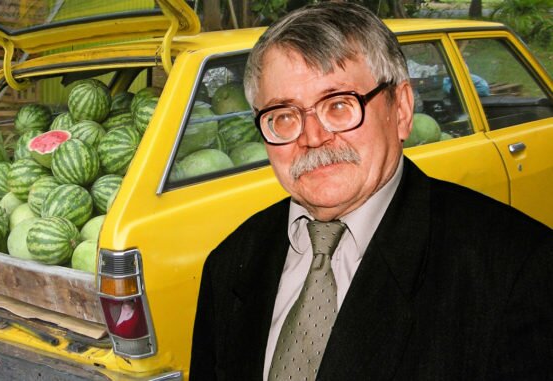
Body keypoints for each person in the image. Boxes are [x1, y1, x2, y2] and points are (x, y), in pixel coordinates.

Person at [189, 3, 553, 380]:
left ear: (401, 110)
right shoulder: (230, 264)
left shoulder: (516, 271)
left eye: (340, 105)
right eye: (284, 116)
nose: (313, 138)